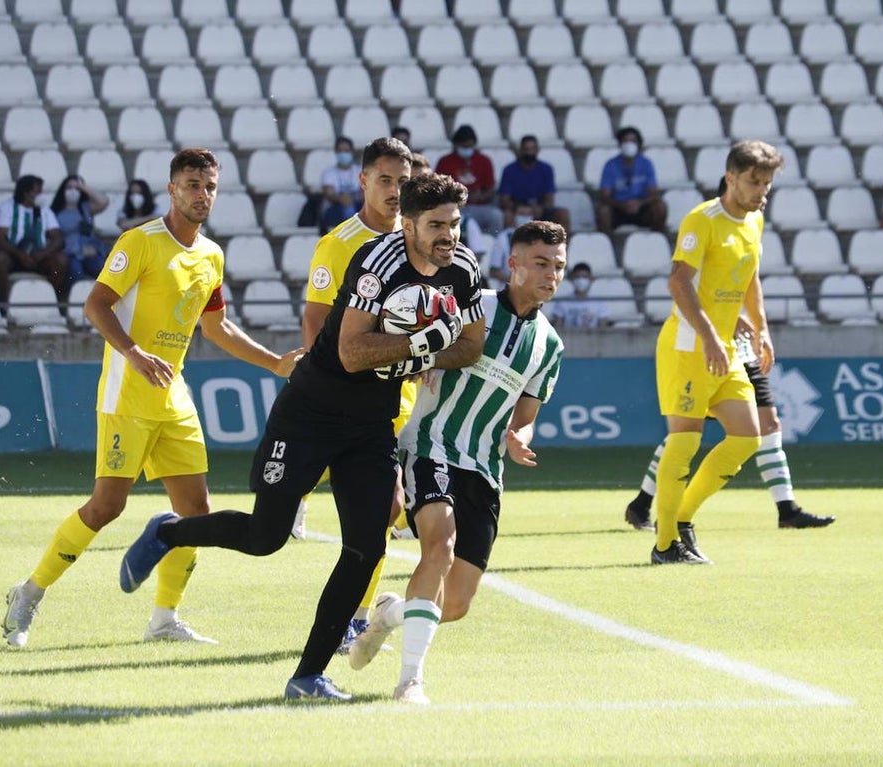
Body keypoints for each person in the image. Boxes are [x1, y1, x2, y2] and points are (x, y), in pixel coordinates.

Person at [119, 172, 487, 702]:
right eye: (436, 225)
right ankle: (170, 531)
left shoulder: (465, 268)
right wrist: (418, 343)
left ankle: (307, 675)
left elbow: (471, 345)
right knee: (266, 537)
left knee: (364, 548)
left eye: (454, 222)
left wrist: (424, 350)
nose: (448, 235)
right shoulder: (377, 261)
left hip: (370, 426)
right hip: (310, 412)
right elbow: (350, 353)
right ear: (407, 223)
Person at [1, 148, 300, 649]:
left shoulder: (211, 254)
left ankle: (164, 618)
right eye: (191, 184)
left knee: (197, 514)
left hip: (174, 397)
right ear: (171, 189)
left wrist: (273, 363)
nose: (200, 194)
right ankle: (28, 593)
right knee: (106, 508)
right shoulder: (140, 241)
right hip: (127, 395)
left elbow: (217, 326)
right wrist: (135, 353)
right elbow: (96, 304)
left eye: (208, 186)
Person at [348, 219, 567, 705]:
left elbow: (526, 415)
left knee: (456, 605)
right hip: (430, 447)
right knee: (438, 548)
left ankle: (387, 615)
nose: (551, 275)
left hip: (486, 471)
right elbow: (412, 346)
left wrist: (518, 436)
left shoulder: (550, 346)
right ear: (513, 263)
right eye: (540, 264)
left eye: (558, 267)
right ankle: (410, 681)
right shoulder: (472, 306)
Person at [297, 136, 415, 650]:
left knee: (387, 507)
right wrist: (332, 387)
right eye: (384, 180)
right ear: (363, 180)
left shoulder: (416, 239)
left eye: (402, 182)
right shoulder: (339, 243)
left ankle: (355, 618)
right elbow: (316, 321)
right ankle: (297, 488)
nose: (394, 191)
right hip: (348, 395)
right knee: (266, 530)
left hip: (396, 395)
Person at [648, 139, 781, 566]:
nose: (761, 190)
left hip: (724, 345)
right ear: (731, 178)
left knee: (747, 437)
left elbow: (748, 278)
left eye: (767, 183)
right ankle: (665, 544)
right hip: (690, 346)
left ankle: (682, 519)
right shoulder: (701, 220)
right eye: (753, 181)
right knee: (684, 441)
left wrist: (759, 328)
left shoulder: (754, 220)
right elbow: (679, 282)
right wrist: (708, 335)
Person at [624, 321, 835, 532]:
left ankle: (787, 510)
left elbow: (751, 292)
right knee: (684, 432)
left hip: (743, 354)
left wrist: (760, 329)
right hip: (711, 350)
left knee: (768, 425)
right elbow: (693, 295)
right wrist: (732, 318)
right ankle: (644, 504)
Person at [0, 174, 68, 310]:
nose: (40, 195)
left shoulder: (45, 210)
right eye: (36, 192)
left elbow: (58, 238)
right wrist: (20, 255)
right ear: (25, 193)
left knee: (61, 261)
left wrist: (42, 254)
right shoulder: (6, 208)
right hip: (13, 255)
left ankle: (52, 301)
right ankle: (2, 305)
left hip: (38, 257)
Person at [596, 126, 667, 234]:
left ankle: (657, 239)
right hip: (618, 209)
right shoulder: (610, 165)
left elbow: (653, 192)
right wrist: (622, 205)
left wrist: (639, 203)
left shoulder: (646, 164)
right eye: (626, 141)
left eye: (633, 141)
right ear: (620, 144)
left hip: (641, 208)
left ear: (638, 144)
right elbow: (605, 195)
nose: (629, 144)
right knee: (603, 210)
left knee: (660, 207)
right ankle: (608, 244)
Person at [435, 124, 502, 234]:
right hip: (456, 207)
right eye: (463, 147)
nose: (467, 149)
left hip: (479, 206)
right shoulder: (445, 162)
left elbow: (490, 189)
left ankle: (492, 246)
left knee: (496, 216)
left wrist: (481, 196)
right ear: (456, 145)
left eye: (469, 146)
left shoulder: (484, 161)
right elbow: (438, 189)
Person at [498, 134, 570, 233]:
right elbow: (504, 200)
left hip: (540, 208)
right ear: (521, 150)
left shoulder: (546, 169)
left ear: (537, 150)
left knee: (562, 214)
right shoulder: (509, 170)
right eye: (526, 149)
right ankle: (511, 247)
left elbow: (550, 200)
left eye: (532, 149)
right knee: (507, 216)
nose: (529, 153)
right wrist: (517, 208)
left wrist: (540, 208)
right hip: (517, 209)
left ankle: (562, 247)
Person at [50, 174, 110, 284]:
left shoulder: (86, 208)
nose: (73, 191)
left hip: (90, 251)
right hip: (70, 252)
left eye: (76, 188)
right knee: (75, 271)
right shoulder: (55, 212)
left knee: (102, 269)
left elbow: (103, 201)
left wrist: (82, 186)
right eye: (69, 188)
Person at [486, 201, 535, 290]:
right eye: (522, 214)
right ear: (514, 216)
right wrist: (518, 281)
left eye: (528, 214)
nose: (525, 217)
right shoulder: (503, 238)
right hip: (508, 290)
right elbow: (493, 271)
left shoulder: (539, 238)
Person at [320, 136, 364, 233]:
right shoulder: (328, 173)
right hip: (337, 207)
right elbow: (329, 194)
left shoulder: (360, 171)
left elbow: (364, 192)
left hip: (357, 205)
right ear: (336, 152)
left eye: (346, 151)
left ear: (352, 152)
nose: (343, 154)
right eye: (340, 151)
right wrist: (341, 198)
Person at [548, 261, 611, 329]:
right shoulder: (562, 302)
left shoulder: (600, 303)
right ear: (572, 279)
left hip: (592, 338)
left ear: (591, 279)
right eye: (577, 277)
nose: (581, 280)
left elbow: (603, 330)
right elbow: (558, 328)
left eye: (585, 277)